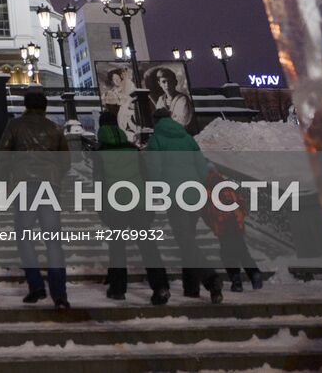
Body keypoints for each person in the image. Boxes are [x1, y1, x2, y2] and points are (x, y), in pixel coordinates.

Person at [0, 91, 71, 309]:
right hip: (50, 186)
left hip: (24, 185)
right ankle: (60, 295)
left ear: (26, 106)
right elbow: (65, 161)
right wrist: (54, 176)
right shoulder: (54, 127)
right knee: (53, 241)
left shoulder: (15, 125)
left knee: (24, 237)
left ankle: (36, 286)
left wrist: (5, 179)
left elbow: (3, 156)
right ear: (45, 107)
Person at [144, 108, 223, 303]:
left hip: (175, 195)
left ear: (156, 120)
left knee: (185, 241)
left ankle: (211, 279)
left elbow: (153, 170)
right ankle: (191, 287)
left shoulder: (156, 140)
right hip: (194, 194)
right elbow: (202, 167)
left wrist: (160, 188)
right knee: (189, 239)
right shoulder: (187, 138)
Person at [94, 109, 170, 304]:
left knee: (117, 247)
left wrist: (101, 208)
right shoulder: (133, 149)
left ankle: (118, 288)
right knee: (148, 246)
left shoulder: (100, 152)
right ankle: (160, 286)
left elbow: (99, 184)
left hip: (115, 205)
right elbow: (145, 177)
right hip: (139, 203)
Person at [204, 167, 264, 292]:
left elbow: (207, 211)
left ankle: (236, 281)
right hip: (236, 223)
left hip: (223, 225)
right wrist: (240, 219)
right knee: (242, 250)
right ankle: (254, 273)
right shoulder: (228, 185)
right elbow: (242, 204)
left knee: (227, 254)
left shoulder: (207, 189)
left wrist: (214, 225)